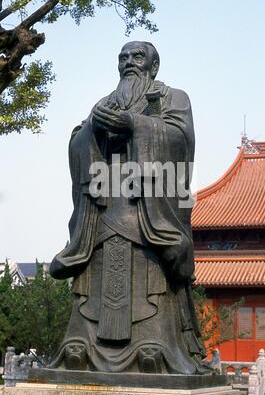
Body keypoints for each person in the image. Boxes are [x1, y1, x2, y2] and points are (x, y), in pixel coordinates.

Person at [50, 41, 208, 374]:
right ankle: (80, 344)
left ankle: (156, 345)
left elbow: (181, 140)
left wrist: (136, 125)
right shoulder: (104, 103)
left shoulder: (173, 98)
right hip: (103, 207)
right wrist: (93, 128)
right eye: (123, 57)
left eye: (138, 57)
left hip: (149, 208)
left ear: (154, 65)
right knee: (95, 269)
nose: (129, 63)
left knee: (150, 266)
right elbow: (78, 140)